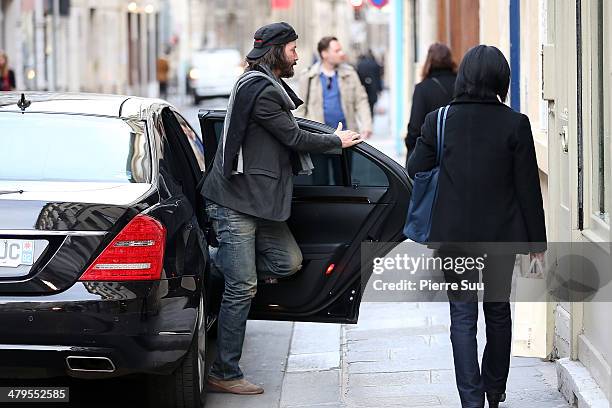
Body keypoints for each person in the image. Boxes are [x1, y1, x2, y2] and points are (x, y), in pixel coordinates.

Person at [200, 22, 362, 395]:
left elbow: (287, 134)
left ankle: (213, 261)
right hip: (235, 201)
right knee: (242, 287)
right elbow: (292, 136)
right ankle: (224, 371)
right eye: (292, 49)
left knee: (287, 261)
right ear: (276, 51)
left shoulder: (259, 83)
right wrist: (334, 140)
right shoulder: (262, 90)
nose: (296, 55)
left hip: (257, 200)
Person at [407, 45, 547, 408]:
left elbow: (414, 167)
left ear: (465, 76)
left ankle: (471, 401)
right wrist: (537, 244)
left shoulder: (439, 119)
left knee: (463, 316)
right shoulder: (515, 123)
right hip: (501, 236)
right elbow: (528, 188)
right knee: (498, 311)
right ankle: (495, 389)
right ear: (503, 80)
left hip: (453, 236)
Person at [297, 36, 373, 139]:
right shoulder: (308, 76)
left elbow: (361, 101)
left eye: (341, 50)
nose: (342, 53)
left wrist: (366, 125)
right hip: (319, 139)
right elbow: (300, 109)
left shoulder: (350, 74)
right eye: (337, 51)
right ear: (324, 54)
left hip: (348, 137)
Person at [405, 43, 456, 164]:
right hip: (458, 154)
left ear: (429, 61)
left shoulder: (422, 89)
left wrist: (410, 148)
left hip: (432, 156)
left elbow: (414, 128)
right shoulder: (462, 84)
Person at [356, 50, 383, 117]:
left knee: (363, 106)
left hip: (363, 89)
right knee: (371, 107)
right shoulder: (375, 64)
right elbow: (378, 77)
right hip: (372, 90)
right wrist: (380, 89)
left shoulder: (360, 64)